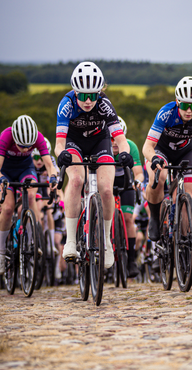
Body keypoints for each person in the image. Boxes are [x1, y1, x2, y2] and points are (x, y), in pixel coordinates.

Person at [54, 61, 133, 269]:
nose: (88, 100)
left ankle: (106, 240)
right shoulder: (66, 104)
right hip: (74, 143)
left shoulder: (104, 104)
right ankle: (71, 240)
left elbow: (121, 139)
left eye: (93, 95)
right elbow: (59, 144)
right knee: (77, 179)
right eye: (82, 95)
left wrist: (125, 153)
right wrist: (62, 154)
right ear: (75, 92)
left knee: (107, 190)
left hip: (100, 142)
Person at [142, 76, 192, 241]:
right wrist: (154, 159)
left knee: (189, 195)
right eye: (184, 105)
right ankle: (154, 218)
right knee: (158, 177)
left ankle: (190, 246)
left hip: (185, 152)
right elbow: (147, 147)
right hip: (161, 150)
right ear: (177, 101)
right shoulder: (166, 113)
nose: (189, 111)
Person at [0, 115, 58, 274]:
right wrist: (1, 179)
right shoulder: (6, 136)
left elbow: (50, 164)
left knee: (30, 195)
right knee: (7, 208)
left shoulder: (38, 137)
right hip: (4, 172)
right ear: (15, 138)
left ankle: (33, 240)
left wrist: (53, 178)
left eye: (29, 146)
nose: (26, 149)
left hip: (25, 169)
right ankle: (0, 251)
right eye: (22, 146)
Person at [111, 116, 144, 277]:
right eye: (111, 139)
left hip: (126, 183)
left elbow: (138, 172)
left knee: (128, 218)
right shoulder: (102, 147)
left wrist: (138, 182)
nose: (114, 143)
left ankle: (131, 261)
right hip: (107, 183)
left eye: (118, 139)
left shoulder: (131, 146)